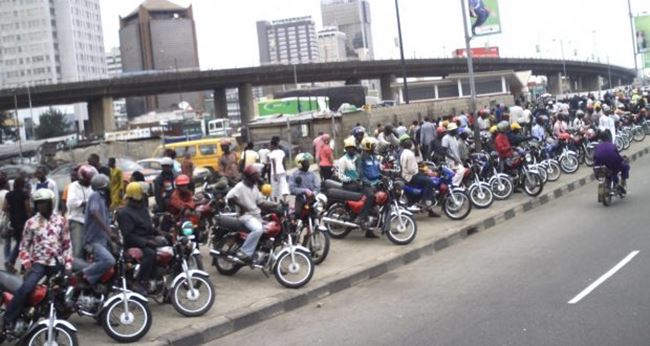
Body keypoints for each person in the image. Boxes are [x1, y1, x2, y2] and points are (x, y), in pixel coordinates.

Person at [3, 189, 72, 333]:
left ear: (51, 203)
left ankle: (55, 329)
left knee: (60, 296)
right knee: (26, 288)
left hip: (56, 263)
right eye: (38, 203)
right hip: (38, 263)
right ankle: (9, 319)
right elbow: (24, 246)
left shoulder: (61, 221)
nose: (41, 206)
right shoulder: (31, 223)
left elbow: (67, 245)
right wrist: (27, 265)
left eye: (44, 203)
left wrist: (68, 265)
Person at [225, 165, 277, 263]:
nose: (258, 177)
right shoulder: (240, 186)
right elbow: (229, 197)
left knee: (269, 232)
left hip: (256, 216)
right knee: (258, 229)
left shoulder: (254, 187)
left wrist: (276, 205)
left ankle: (272, 260)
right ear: (249, 176)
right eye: (255, 175)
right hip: (246, 216)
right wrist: (242, 206)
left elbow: (261, 202)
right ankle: (243, 252)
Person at [116, 182, 157, 294]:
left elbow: (148, 226)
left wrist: (160, 234)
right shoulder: (124, 213)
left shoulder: (143, 208)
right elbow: (128, 236)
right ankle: (140, 281)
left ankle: (158, 280)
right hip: (134, 243)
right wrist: (146, 242)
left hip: (147, 238)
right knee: (150, 253)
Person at [80, 174, 116, 287]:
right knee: (109, 261)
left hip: (102, 239)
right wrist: (109, 232)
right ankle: (82, 275)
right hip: (93, 240)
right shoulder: (95, 196)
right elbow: (94, 212)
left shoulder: (103, 199)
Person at [399, 135, 438, 217]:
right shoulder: (410, 154)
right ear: (410, 145)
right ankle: (424, 200)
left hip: (407, 175)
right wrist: (419, 171)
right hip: (411, 176)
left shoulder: (404, 153)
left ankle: (428, 206)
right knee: (429, 181)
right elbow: (411, 169)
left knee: (426, 179)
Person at [2, 177, 32, 273]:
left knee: (21, 243)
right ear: (23, 185)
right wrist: (31, 219)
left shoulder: (9, 194)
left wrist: (12, 209)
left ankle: (19, 265)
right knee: (23, 243)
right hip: (23, 222)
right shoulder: (24, 195)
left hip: (14, 222)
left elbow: (4, 207)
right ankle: (12, 261)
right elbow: (28, 209)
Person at [67, 164, 97, 257]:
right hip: (77, 221)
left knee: (92, 248)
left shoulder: (91, 188)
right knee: (78, 250)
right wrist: (85, 203)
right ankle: (76, 268)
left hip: (90, 222)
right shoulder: (73, 186)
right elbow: (71, 203)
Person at [356, 137, 382, 237]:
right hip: (366, 185)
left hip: (376, 183)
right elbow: (360, 174)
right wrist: (368, 183)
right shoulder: (361, 158)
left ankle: (372, 228)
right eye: (372, 146)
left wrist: (382, 176)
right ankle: (361, 217)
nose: (374, 147)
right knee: (371, 196)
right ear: (367, 146)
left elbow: (377, 170)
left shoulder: (373, 156)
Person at [594, 130, 630, 194]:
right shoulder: (612, 146)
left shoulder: (597, 146)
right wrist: (623, 160)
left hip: (599, 167)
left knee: (611, 171)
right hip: (612, 166)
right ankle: (622, 183)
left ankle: (614, 183)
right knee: (626, 166)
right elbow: (618, 157)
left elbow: (594, 157)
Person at [289, 153, 320, 218]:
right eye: (305, 162)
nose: (308, 164)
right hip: (300, 199)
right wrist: (304, 191)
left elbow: (317, 187)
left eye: (308, 162)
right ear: (300, 164)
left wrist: (313, 193)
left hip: (312, 199)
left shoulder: (312, 174)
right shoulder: (294, 175)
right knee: (297, 215)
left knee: (318, 214)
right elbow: (292, 188)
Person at [441, 123, 466, 187]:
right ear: (451, 130)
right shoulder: (446, 138)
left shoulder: (454, 137)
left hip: (456, 159)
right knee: (461, 170)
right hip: (450, 160)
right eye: (455, 130)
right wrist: (453, 158)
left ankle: (457, 185)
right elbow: (444, 151)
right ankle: (453, 184)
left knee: (462, 172)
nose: (457, 131)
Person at [268, 137, 289, 201]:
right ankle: (284, 200)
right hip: (282, 171)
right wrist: (285, 170)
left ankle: (275, 201)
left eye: (270, 145)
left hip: (274, 172)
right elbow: (283, 162)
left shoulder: (271, 153)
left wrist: (274, 174)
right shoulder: (281, 152)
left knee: (275, 187)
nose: (269, 146)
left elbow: (273, 163)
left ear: (273, 145)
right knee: (284, 185)